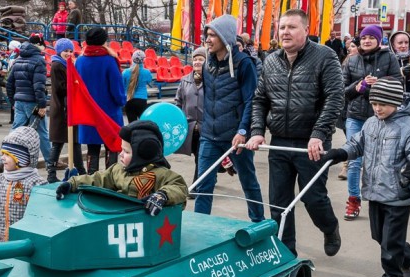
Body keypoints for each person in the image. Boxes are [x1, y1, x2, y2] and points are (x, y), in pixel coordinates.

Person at [245, 8, 343, 257]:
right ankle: (286, 253)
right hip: (279, 143)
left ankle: (330, 227)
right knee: (278, 202)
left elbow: (335, 98)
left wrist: (319, 133)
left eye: (292, 27)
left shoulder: (324, 56)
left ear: (305, 30)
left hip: (311, 143)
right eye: (282, 27)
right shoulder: (271, 60)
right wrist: (257, 131)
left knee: (314, 198)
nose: (285, 32)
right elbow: (260, 100)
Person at [322, 78, 410, 277]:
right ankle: (408, 257)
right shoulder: (370, 123)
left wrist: (409, 181)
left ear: (396, 102)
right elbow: (357, 144)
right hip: (375, 192)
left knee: (390, 244)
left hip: (398, 194)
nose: (378, 108)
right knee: (380, 236)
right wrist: (339, 153)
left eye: (383, 104)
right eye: (374, 103)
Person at [194, 15, 265, 223]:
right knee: (203, 184)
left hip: (236, 135)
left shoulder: (244, 64)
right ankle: (199, 225)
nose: (207, 39)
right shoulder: (207, 64)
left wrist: (243, 131)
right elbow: (208, 98)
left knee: (248, 180)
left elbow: (252, 100)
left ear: (224, 37)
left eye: (212, 35)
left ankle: (258, 222)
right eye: (207, 35)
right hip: (209, 135)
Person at [55, 120, 188, 216]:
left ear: (144, 153)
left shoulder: (161, 174)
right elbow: (97, 179)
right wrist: (72, 183)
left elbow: (179, 187)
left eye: (126, 152)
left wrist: (162, 195)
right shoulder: (117, 170)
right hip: (121, 219)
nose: (121, 154)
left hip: (148, 227)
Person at [342, 24, 401, 221]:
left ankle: (382, 200)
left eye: (371, 38)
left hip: (381, 118)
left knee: (382, 161)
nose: (367, 41)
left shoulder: (388, 58)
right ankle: (353, 199)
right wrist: (359, 86)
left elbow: (398, 84)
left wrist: (381, 84)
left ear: (379, 40)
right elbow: (343, 92)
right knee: (354, 162)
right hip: (356, 117)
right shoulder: (351, 60)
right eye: (364, 37)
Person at [76, 27, 126, 174]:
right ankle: (110, 179)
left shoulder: (80, 61)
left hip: (88, 112)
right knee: (112, 146)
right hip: (108, 112)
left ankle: (92, 179)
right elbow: (117, 89)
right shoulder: (109, 61)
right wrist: (122, 101)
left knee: (92, 148)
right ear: (104, 41)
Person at [6, 33, 51, 166]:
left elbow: (9, 82)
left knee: (15, 130)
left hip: (19, 101)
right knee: (42, 132)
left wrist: (13, 102)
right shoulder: (39, 60)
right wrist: (42, 105)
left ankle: (4, 158)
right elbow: (39, 86)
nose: (44, 48)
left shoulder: (18, 59)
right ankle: (51, 161)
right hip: (33, 102)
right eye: (43, 45)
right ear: (38, 45)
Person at [47, 38, 86, 183]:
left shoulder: (68, 64)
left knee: (75, 141)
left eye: (71, 51)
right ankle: (51, 173)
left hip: (69, 108)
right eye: (66, 51)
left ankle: (81, 171)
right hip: (62, 108)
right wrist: (76, 84)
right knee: (58, 143)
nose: (69, 53)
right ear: (59, 51)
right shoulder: (58, 65)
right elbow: (61, 88)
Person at [175, 46, 206, 182]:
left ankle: (196, 185)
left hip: (206, 127)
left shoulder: (212, 81)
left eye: (201, 59)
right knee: (196, 155)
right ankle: (213, 173)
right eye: (195, 59)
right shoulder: (184, 80)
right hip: (190, 126)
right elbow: (178, 101)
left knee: (201, 156)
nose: (197, 62)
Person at [336, 37, 360, 181]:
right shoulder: (346, 62)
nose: (350, 49)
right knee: (350, 138)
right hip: (346, 106)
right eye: (349, 46)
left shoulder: (367, 63)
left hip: (362, 109)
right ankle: (347, 165)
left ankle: (350, 164)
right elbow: (342, 88)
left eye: (353, 46)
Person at [389, 30, 410, 105]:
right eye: (400, 43)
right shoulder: (388, 59)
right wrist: (400, 72)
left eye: (406, 42)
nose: (404, 46)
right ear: (393, 45)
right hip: (393, 103)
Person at [122, 50, 152, 123]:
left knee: (132, 125)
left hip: (129, 100)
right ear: (143, 60)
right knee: (144, 124)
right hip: (142, 100)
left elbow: (122, 86)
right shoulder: (147, 72)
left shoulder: (125, 72)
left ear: (132, 59)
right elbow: (149, 81)